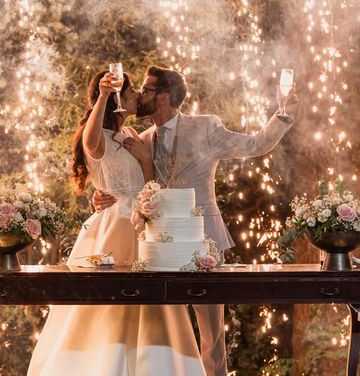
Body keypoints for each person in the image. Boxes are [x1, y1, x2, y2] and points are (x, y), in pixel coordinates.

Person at [93, 65, 299, 376]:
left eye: (146, 91)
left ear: (163, 98)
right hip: (159, 244)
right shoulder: (142, 139)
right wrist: (99, 196)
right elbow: (119, 178)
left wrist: (282, 116)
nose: (139, 96)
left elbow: (254, 145)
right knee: (161, 329)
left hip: (205, 239)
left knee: (211, 331)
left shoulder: (205, 127)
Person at [28, 70, 206, 376]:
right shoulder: (99, 139)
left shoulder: (135, 137)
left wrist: (147, 163)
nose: (137, 95)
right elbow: (91, 141)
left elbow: (151, 187)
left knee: (154, 309)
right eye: (130, 91)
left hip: (143, 229)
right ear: (116, 101)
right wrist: (103, 94)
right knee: (111, 308)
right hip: (112, 231)